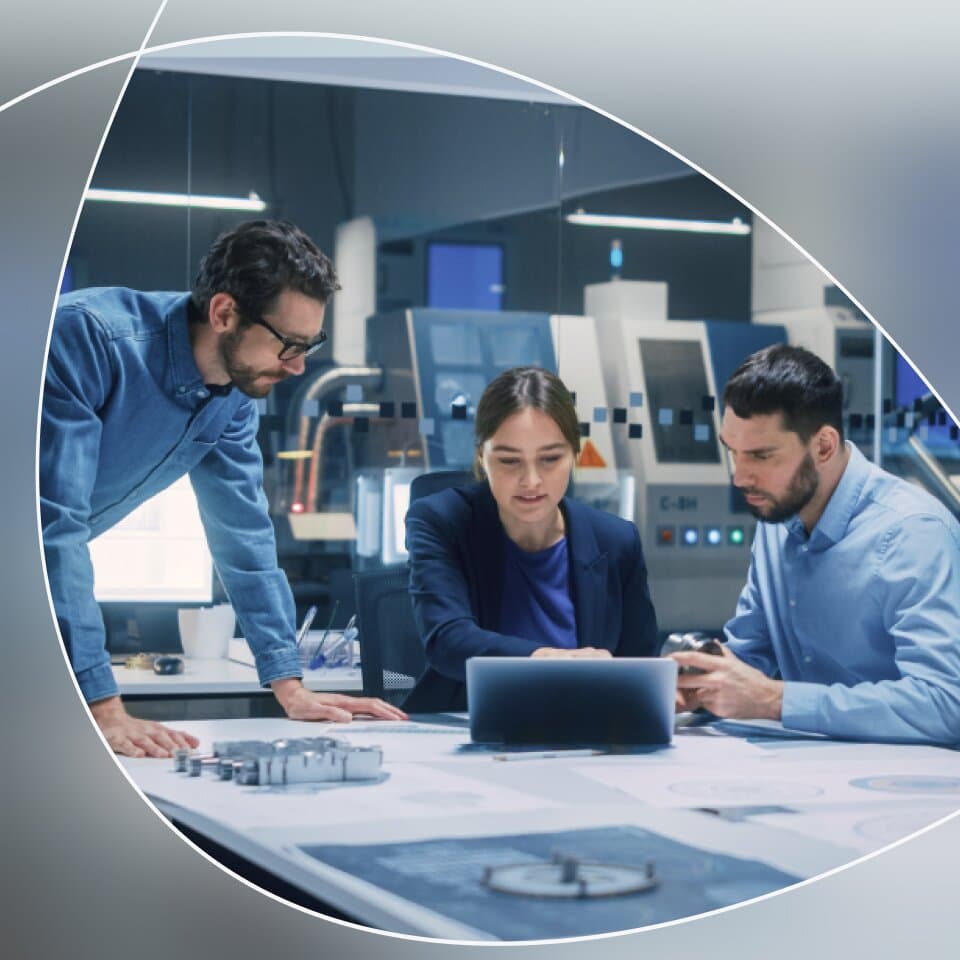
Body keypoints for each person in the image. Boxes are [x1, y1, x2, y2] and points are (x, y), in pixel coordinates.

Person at [40, 219, 406, 759]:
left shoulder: (232, 399)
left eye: (311, 345)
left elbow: (245, 540)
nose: (299, 366)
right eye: (288, 344)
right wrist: (102, 706)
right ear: (223, 313)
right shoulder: (89, 340)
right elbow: (52, 525)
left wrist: (290, 684)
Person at [672, 344, 960, 745]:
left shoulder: (913, 533)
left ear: (823, 445)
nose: (739, 477)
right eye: (733, 452)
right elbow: (750, 654)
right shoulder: (779, 515)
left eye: (761, 455)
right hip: (811, 769)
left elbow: (945, 705)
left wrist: (776, 700)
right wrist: (691, 681)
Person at [404, 365, 659, 712]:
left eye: (550, 459)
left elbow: (639, 669)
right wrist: (550, 659)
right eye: (510, 461)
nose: (532, 481)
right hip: (474, 733)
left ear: (575, 453)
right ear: (482, 455)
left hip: (589, 739)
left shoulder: (616, 540)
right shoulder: (441, 521)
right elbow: (448, 640)